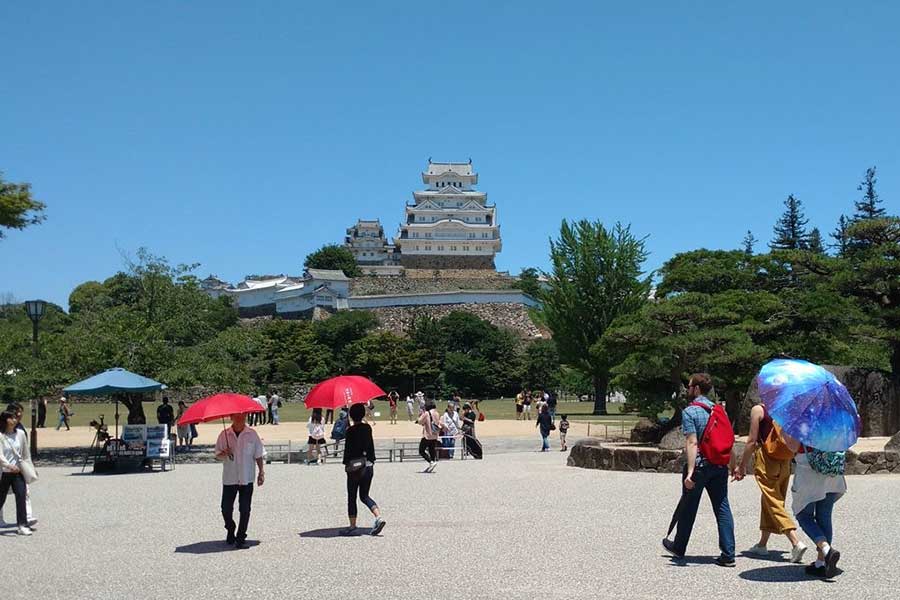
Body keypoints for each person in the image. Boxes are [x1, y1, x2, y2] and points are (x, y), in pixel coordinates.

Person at [662, 373, 736, 567]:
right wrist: (733, 464)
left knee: (689, 507)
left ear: (696, 388)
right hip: (719, 465)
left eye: (689, 386)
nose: (687, 389)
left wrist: (690, 472)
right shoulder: (719, 410)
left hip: (701, 465)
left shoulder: (690, 412)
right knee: (722, 506)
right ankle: (728, 553)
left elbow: (692, 442)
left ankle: (679, 547)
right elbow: (729, 439)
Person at [733, 403, 807, 563]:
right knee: (770, 499)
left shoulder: (758, 410)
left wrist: (742, 465)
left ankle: (795, 541)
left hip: (767, 460)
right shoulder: (786, 408)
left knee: (773, 501)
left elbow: (752, 441)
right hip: (785, 460)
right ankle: (762, 544)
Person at [781, 432, 846, 578]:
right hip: (832, 470)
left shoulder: (803, 420)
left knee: (803, 515)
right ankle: (821, 563)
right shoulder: (835, 419)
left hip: (809, 473)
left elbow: (793, 446)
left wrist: (783, 431)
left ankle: (826, 548)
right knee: (825, 515)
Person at [214, 413, 266, 549]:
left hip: (246, 477)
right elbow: (217, 455)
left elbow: (258, 454)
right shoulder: (224, 434)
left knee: (245, 509)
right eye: (237, 416)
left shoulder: (252, 434)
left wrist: (261, 472)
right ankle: (230, 528)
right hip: (230, 478)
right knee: (225, 509)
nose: (240, 419)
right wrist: (224, 453)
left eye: (242, 416)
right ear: (231, 417)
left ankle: (241, 537)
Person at [342, 402, 385, 536]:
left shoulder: (350, 431)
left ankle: (352, 525)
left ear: (351, 415)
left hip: (355, 466)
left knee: (352, 496)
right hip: (368, 465)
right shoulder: (367, 428)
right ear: (363, 414)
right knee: (364, 495)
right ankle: (378, 517)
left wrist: (346, 464)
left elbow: (348, 450)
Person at [0, 403, 36, 529]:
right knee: (1, 497)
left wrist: (29, 467)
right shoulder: (1, 435)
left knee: (22, 495)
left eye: (17, 416)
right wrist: (8, 465)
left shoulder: (20, 432)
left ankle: (23, 524)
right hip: (4, 471)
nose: (16, 419)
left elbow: (25, 453)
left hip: (18, 471)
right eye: (13, 417)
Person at [418, 400, 440, 472]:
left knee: (421, 450)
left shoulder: (427, 413)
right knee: (431, 449)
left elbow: (420, 421)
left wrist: (420, 415)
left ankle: (431, 462)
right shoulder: (437, 413)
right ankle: (433, 462)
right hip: (435, 435)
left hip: (428, 435)